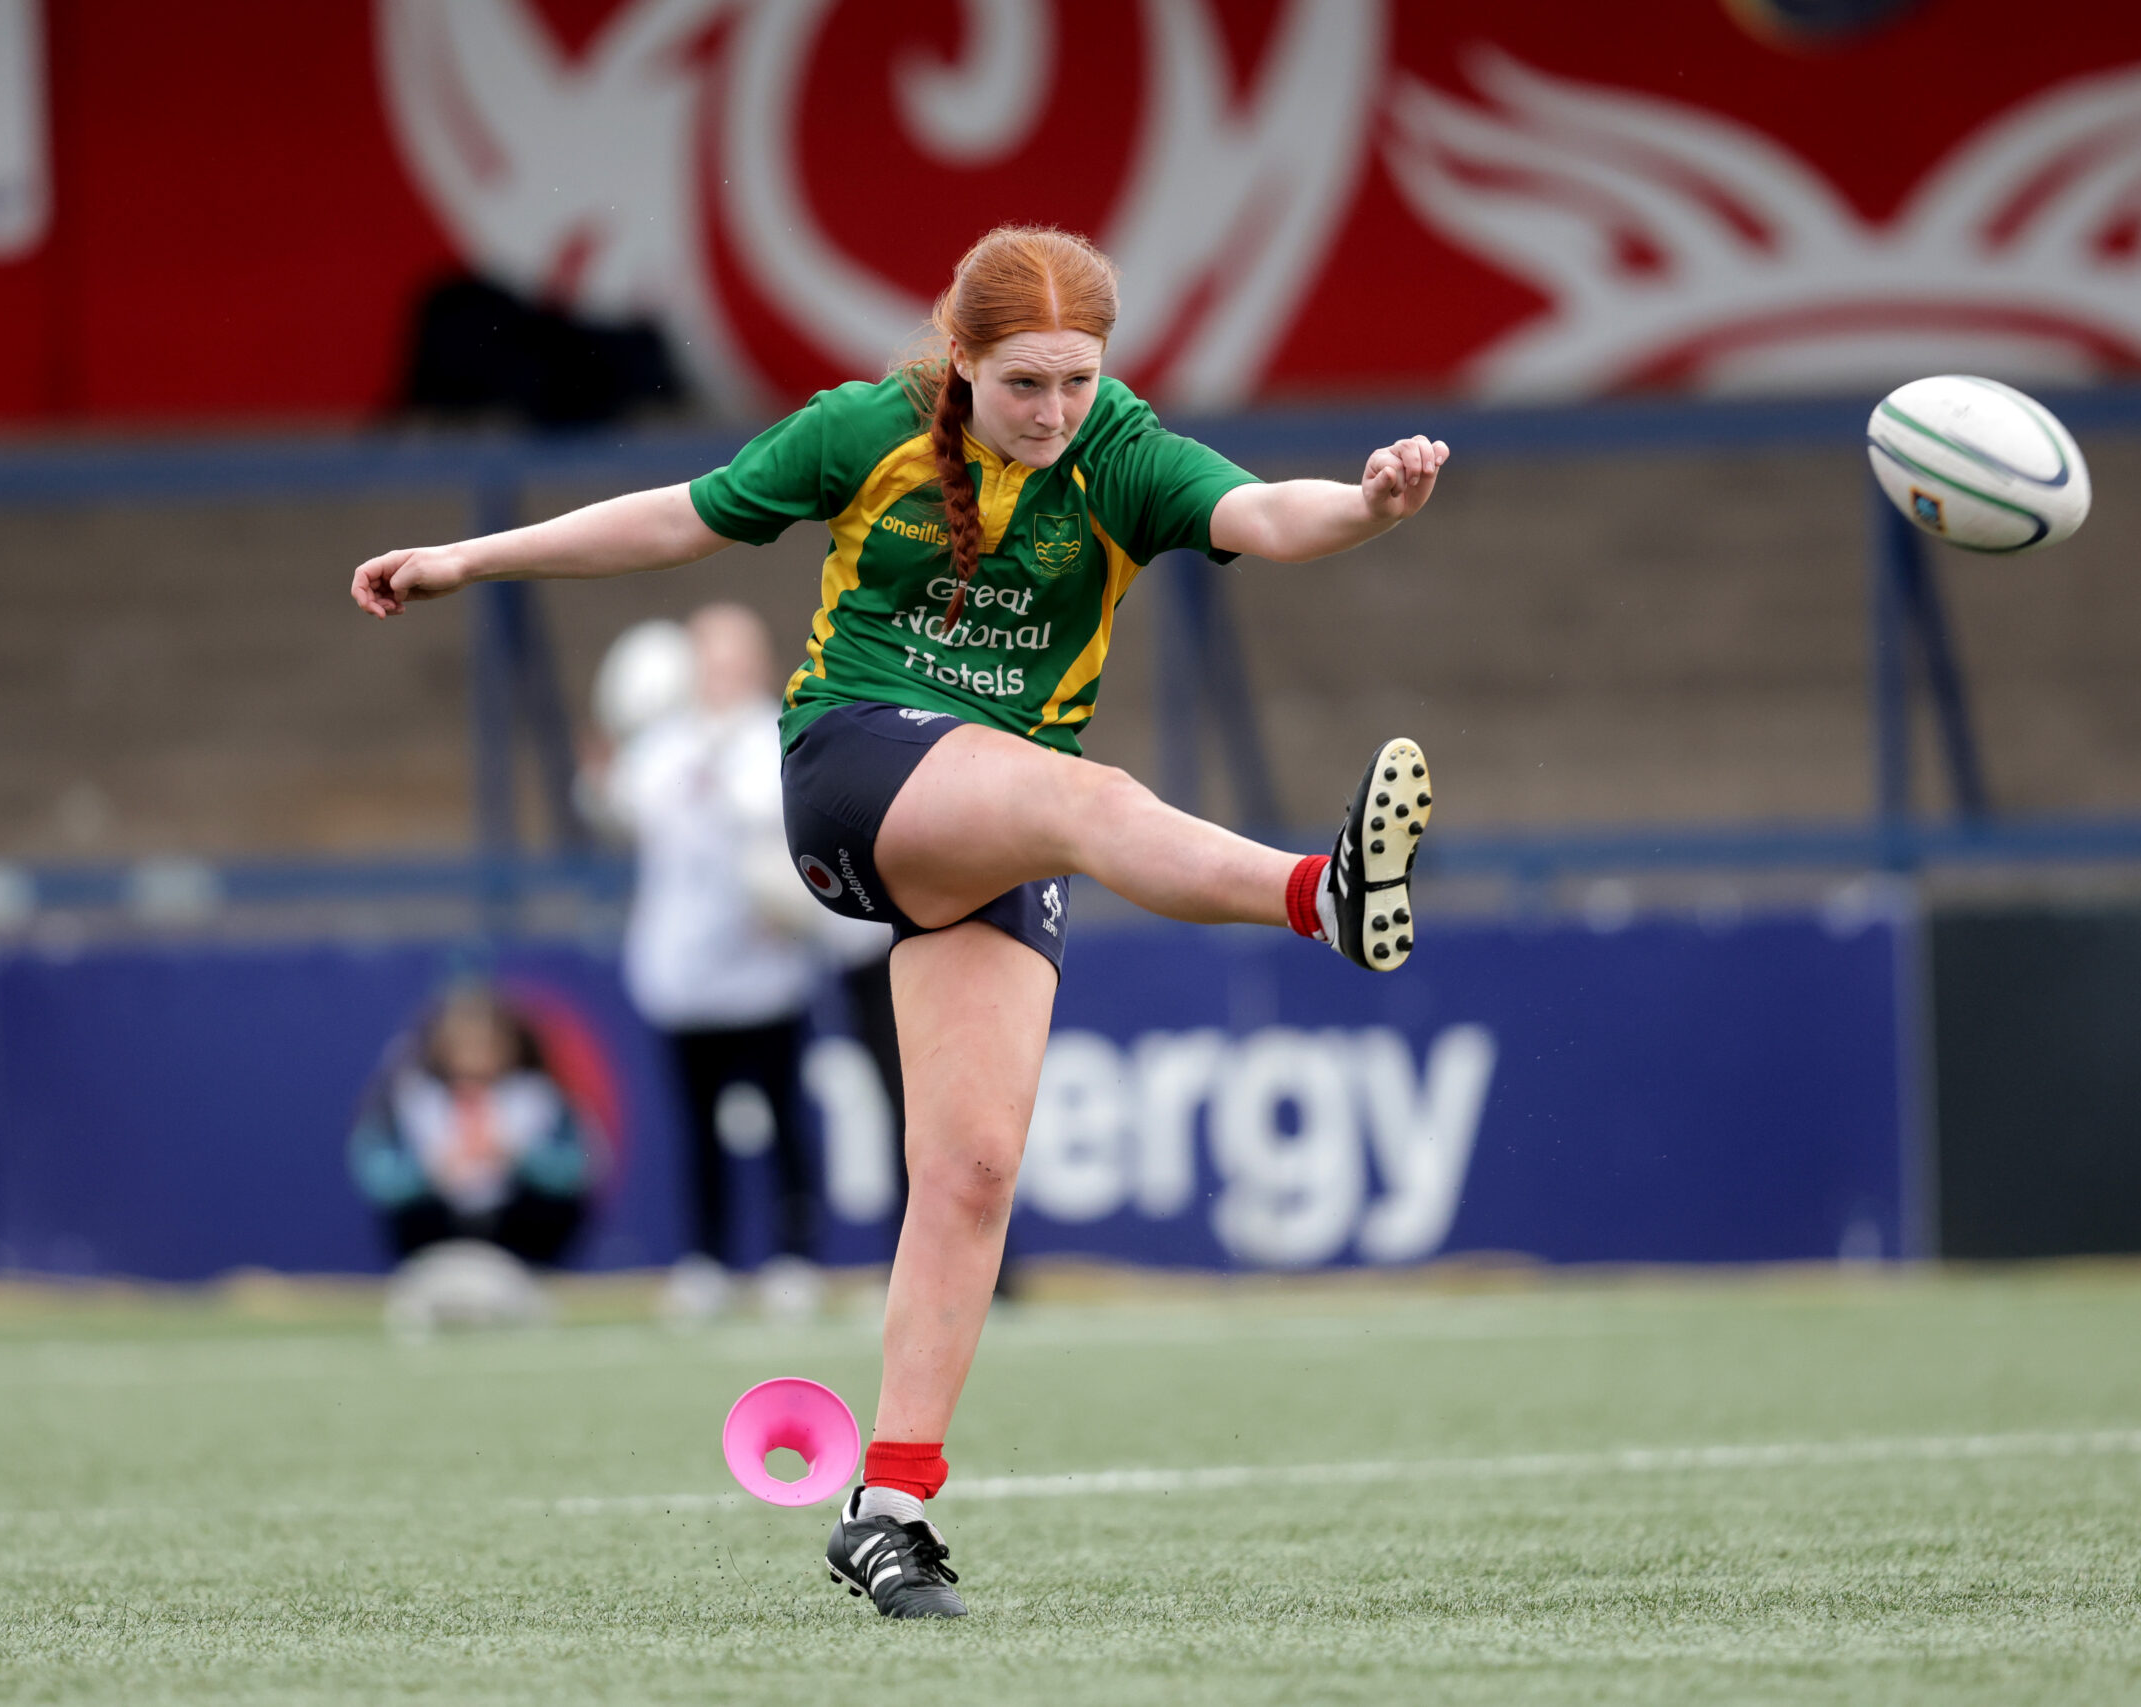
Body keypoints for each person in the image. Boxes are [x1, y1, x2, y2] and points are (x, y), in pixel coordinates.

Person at [352, 225, 1447, 1618]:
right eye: (1025, 382)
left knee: (973, 1169)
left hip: (1000, 825)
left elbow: (1272, 517)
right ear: (961, 358)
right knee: (1087, 797)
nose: (1054, 410)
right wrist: (469, 558)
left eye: (1077, 378)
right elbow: (680, 515)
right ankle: (1320, 896)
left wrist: (1370, 506)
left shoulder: (1119, 450)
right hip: (856, 772)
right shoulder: (864, 429)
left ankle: (889, 1508)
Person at [586, 604, 831, 1321]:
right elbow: (621, 811)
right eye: (710, 658)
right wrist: (601, 773)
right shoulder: (663, 746)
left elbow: (780, 822)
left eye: (735, 657)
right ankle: (706, 1260)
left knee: (783, 1117)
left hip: (765, 974)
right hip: (681, 974)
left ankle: (793, 1259)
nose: (722, 673)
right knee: (697, 1127)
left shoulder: (779, 735)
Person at [348, 978, 597, 1266]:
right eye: (462, 1041)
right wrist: (431, 1170)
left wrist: (517, 1157)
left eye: (487, 1042)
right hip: (435, 1234)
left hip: (518, 1233)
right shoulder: (410, 1097)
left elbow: (578, 1166)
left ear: (511, 1043)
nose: (474, 1054)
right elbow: (376, 1173)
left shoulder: (538, 1097)